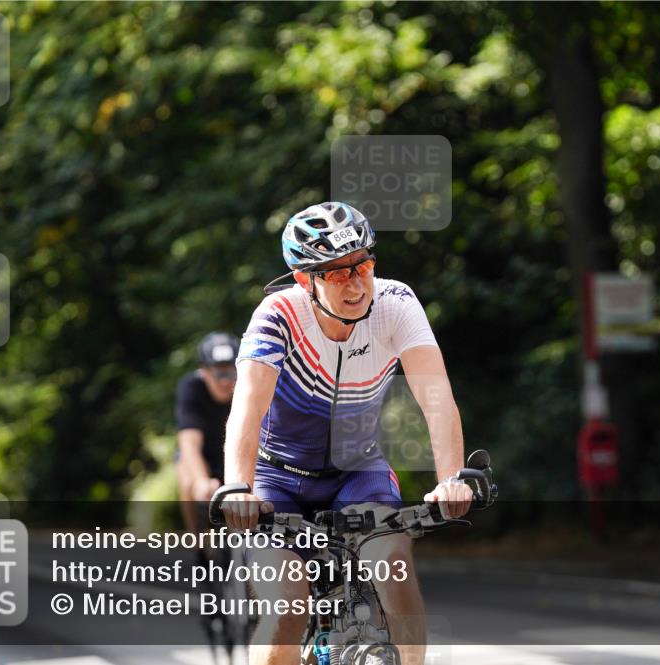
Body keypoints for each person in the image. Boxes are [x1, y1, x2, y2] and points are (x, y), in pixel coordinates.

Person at [219, 201, 473, 665]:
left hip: (359, 470)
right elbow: (247, 409)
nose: (356, 284)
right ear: (305, 280)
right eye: (337, 273)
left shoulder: (395, 303)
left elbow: (435, 397)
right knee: (287, 609)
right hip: (277, 479)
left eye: (363, 265)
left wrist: (451, 479)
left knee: (393, 566)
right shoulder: (278, 314)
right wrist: (238, 487)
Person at [175, 331, 239, 533]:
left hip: (236, 454)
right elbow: (189, 443)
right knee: (188, 476)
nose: (225, 382)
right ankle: (197, 541)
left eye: (230, 373)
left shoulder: (248, 388)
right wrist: (201, 481)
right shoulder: (191, 388)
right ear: (203, 371)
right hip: (204, 456)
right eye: (218, 374)